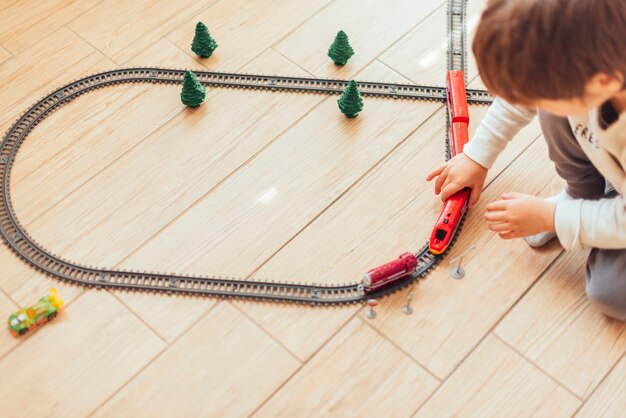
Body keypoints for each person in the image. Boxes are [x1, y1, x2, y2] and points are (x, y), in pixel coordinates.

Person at [426, 0, 626, 320]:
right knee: (554, 103)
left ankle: (588, 212)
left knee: (611, 294)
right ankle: (584, 199)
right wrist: (478, 155)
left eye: (536, 98)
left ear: (602, 83)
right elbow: (527, 85)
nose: (529, 104)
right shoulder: (591, 57)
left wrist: (553, 217)